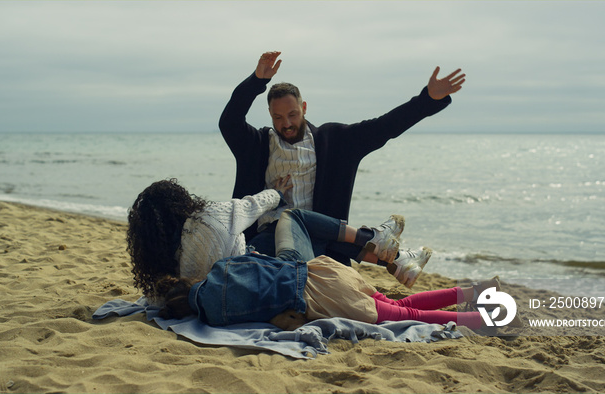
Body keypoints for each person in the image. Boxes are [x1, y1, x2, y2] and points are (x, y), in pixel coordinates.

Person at [218, 51, 465, 286]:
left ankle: (393, 256)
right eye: (279, 117)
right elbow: (229, 121)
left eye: (293, 114)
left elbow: (384, 127)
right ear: (270, 114)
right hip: (268, 240)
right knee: (282, 225)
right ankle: (391, 254)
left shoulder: (334, 140)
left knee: (302, 224)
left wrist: (427, 100)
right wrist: (257, 81)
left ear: (304, 108)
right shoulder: (257, 145)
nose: (287, 123)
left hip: (322, 245)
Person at [154, 208, 495, 332]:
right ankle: (473, 292)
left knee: (404, 314)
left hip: (321, 299)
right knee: (404, 306)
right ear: (187, 284)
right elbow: (257, 258)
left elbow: (261, 321)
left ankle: (475, 318)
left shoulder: (215, 318)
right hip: (323, 273)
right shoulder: (221, 268)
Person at [126, 179, 418, 299]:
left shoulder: (163, 273)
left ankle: (396, 260)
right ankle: (375, 239)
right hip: (263, 274)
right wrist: (277, 193)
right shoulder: (208, 218)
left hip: (239, 280)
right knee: (294, 218)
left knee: (294, 233)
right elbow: (254, 204)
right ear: (181, 202)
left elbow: (155, 302)